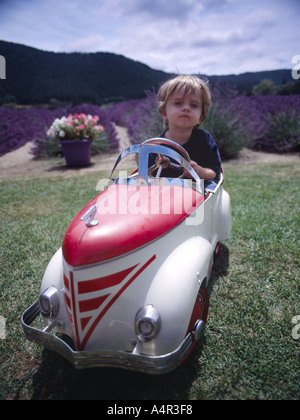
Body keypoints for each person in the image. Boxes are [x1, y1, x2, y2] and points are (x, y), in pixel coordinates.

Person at [152, 75, 221, 182]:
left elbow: (214, 172)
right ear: (164, 113)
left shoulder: (204, 139)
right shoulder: (155, 146)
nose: (186, 108)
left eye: (193, 105)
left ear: (201, 116)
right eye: (178, 103)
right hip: (163, 195)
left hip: (198, 194)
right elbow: (149, 179)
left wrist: (199, 171)